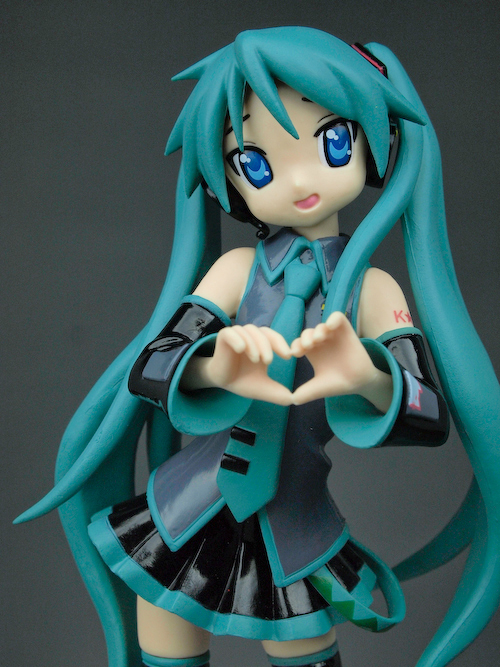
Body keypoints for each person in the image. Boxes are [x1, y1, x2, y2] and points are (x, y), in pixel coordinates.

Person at [16, 27, 500, 667]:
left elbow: (428, 412)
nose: (298, 180)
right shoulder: (236, 272)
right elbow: (154, 363)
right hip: (186, 506)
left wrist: (368, 376)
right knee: (164, 635)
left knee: (303, 646)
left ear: (373, 139)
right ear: (227, 177)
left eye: (331, 141)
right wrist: (214, 366)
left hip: (296, 523)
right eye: (257, 163)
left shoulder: (371, 292)